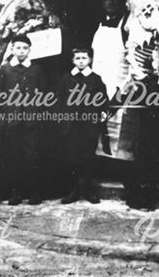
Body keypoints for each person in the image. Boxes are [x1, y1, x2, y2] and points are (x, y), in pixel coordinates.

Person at [0, 34, 45, 205]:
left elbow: (44, 96)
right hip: (12, 121)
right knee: (14, 156)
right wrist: (3, 119)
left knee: (32, 156)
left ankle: (34, 192)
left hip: (32, 122)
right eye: (18, 48)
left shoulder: (36, 70)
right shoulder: (5, 69)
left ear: (30, 50)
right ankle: (16, 193)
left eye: (25, 48)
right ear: (12, 49)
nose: (21, 51)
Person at [60, 47, 108, 204]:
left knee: (88, 157)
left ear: (90, 60)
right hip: (71, 126)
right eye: (77, 58)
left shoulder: (96, 79)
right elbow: (59, 101)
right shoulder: (66, 79)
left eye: (84, 58)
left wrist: (102, 114)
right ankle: (73, 191)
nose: (81, 61)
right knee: (71, 157)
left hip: (89, 126)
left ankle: (88, 190)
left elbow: (102, 100)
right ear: (73, 60)